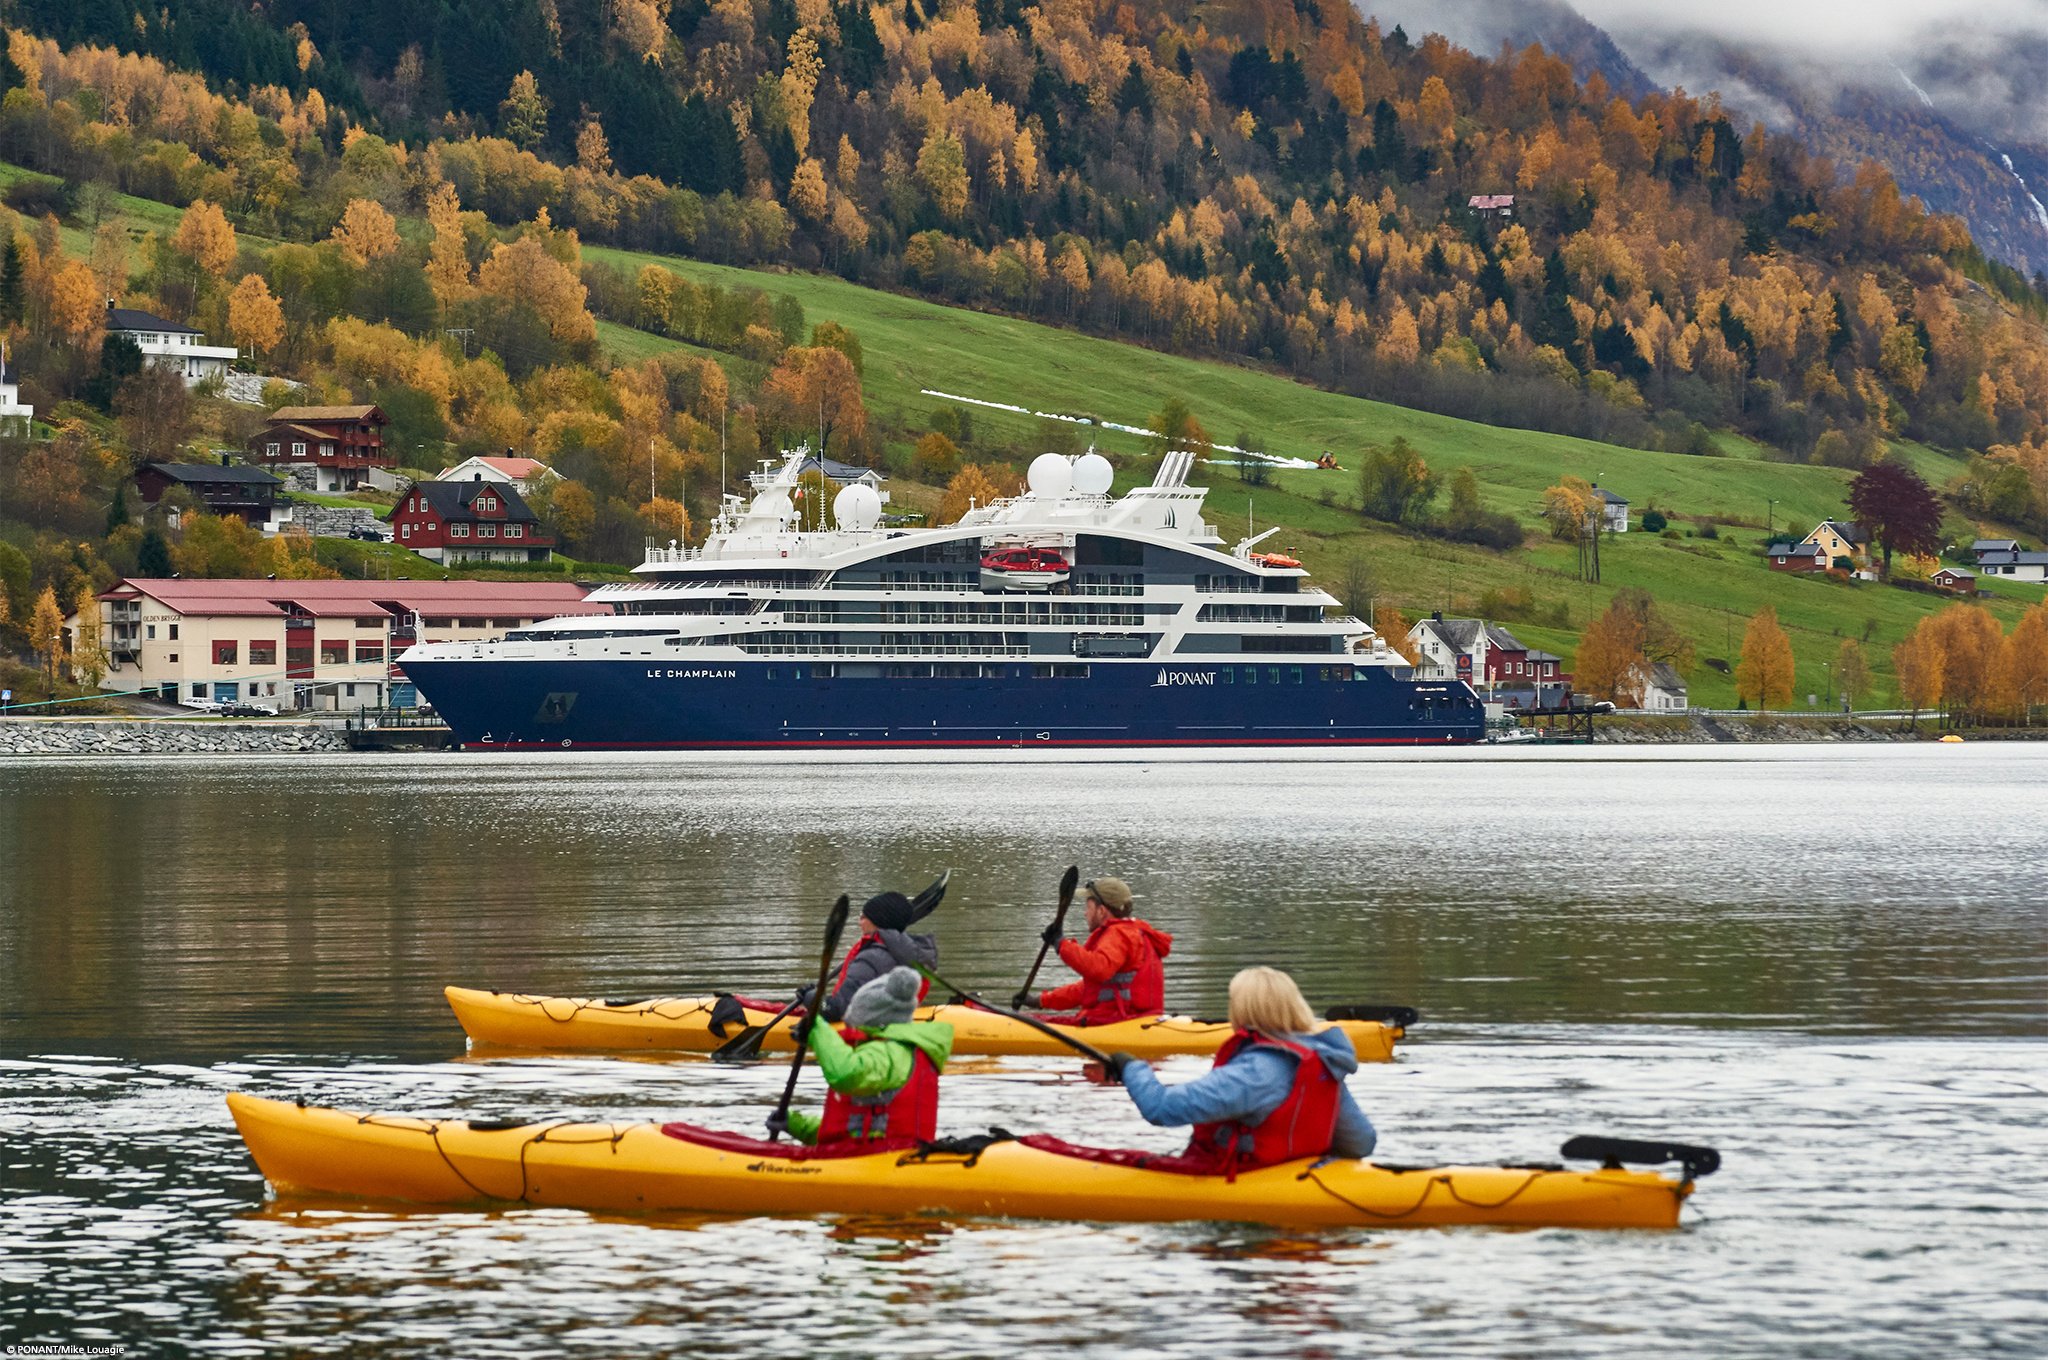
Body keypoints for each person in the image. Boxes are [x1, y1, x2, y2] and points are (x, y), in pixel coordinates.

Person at [1104, 966, 1375, 1174]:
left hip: (1243, 1180)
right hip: (1298, 1177)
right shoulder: (1322, 1063)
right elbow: (1361, 1143)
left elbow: (1161, 1108)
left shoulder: (1255, 1070)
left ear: (1243, 1010)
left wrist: (1132, 1068)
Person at [776, 967, 955, 1146]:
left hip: (882, 1161)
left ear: (873, 1018)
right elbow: (851, 1128)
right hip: (872, 1156)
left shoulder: (889, 1052)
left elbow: (846, 1074)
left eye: (856, 1011)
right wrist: (796, 1125)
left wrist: (816, 1028)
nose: (848, 1018)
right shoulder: (891, 1048)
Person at [1018, 876, 1173, 1025]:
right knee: (1033, 1019)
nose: (1085, 913)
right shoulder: (1134, 932)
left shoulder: (1119, 934)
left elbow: (1098, 968)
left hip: (1116, 1022)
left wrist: (1061, 944)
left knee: (1030, 1022)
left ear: (1101, 911)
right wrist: (1041, 1000)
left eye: (1088, 907)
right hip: (1136, 1021)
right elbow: (1088, 990)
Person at [799, 890, 938, 1022]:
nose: (860, 922)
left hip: (866, 1033)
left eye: (863, 917)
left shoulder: (871, 958)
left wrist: (811, 997)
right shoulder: (913, 953)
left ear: (878, 921)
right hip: (898, 1022)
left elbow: (837, 1010)